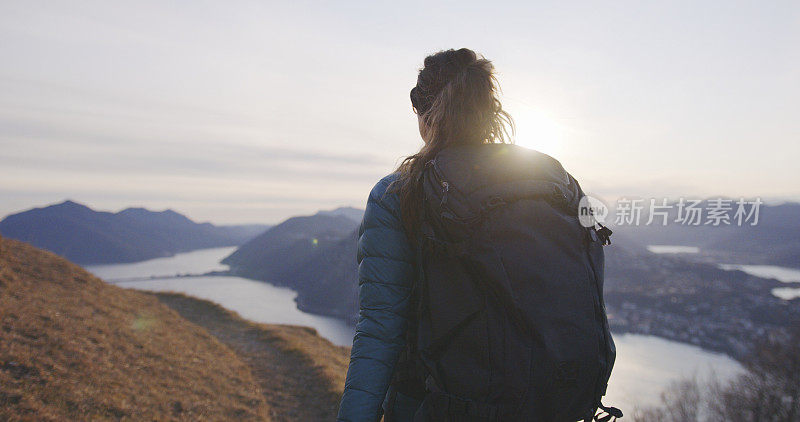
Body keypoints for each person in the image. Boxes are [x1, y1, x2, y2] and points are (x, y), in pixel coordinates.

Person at [337, 48, 618, 422]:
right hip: (555, 406)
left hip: (439, 407)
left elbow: (380, 329)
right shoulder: (556, 180)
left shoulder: (401, 193)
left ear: (425, 113)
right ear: (490, 111)